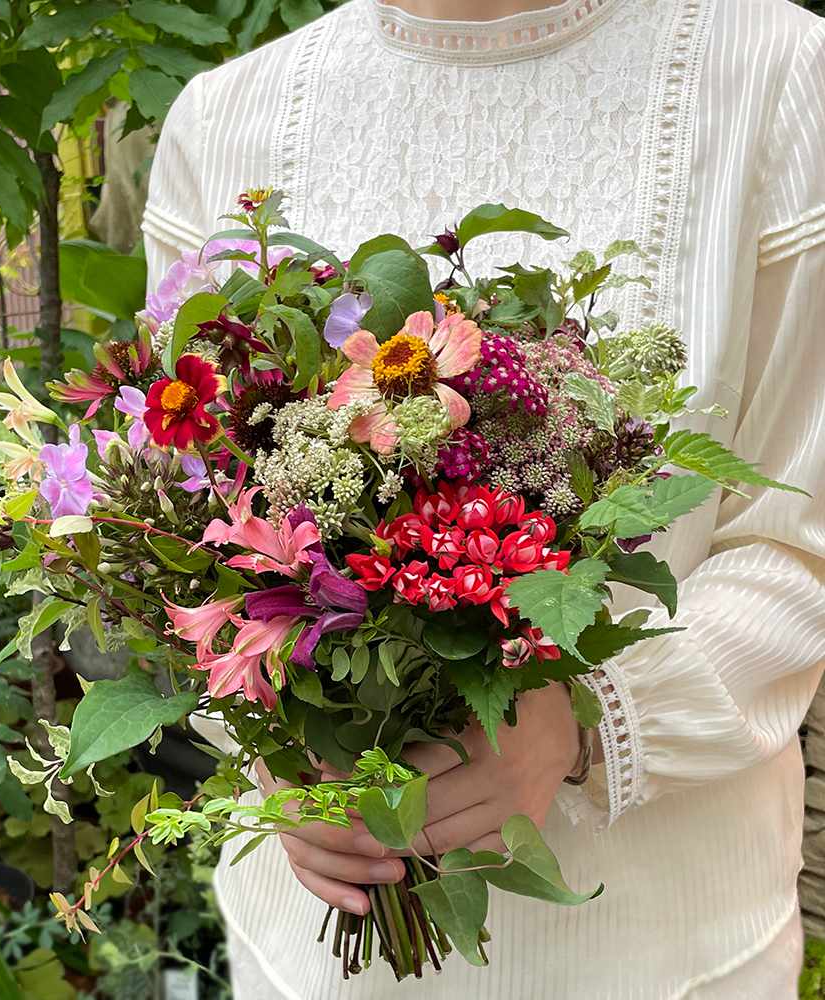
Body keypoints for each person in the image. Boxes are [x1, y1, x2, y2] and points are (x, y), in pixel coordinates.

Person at [141, 0, 825, 994]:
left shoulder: (776, 75)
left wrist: (588, 719)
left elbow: (799, 536)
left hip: (661, 951)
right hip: (310, 955)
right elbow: (184, 519)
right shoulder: (225, 118)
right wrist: (273, 751)